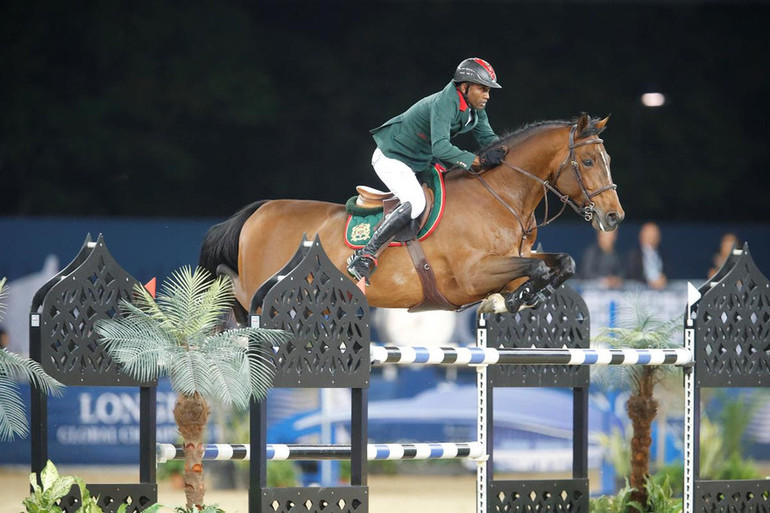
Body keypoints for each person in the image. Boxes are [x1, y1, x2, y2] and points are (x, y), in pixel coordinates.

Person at [347, 58, 507, 284]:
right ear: (464, 87)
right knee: (416, 202)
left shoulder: (475, 110)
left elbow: (489, 139)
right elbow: (440, 147)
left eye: (488, 90)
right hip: (392, 156)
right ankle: (364, 256)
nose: (487, 95)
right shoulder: (445, 102)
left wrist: (508, 155)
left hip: (418, 161)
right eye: (482, 89)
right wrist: (477, 161)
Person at [625, 222, 668, 290]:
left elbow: (668, 272)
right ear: (642, 236)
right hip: (641, 292)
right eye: (649, 235)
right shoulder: (634, 255)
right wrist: (649, 282)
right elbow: (631, 275)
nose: (652, 238)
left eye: (655, 235)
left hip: (662, 292)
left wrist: (664, 279)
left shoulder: (663, 254)